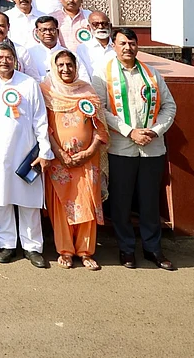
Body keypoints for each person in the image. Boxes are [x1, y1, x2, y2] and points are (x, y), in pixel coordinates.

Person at [92, 27, 178, 271]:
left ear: (137, 45)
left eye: (131, 43)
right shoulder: (103, 73)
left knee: (149, 201)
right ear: (114, 46)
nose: (127, 47)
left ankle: (153, 249)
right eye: (122, 43)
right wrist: (130, 131)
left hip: (152, 147)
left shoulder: (151, 73)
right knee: (121, 202)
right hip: (121, 148)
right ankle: (126, 248)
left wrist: (155, 131)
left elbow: (169, 106)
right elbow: (100, 109)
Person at [0, 40, 52, 268]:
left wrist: (44, 149)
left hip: (26, 151)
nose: (4, 61)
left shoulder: (29, 83)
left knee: (29, 201)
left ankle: (32, 247)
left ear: (16, 60)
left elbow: (40, 119)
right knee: (0, 198)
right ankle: (7, 243)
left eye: (8, 57)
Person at [41, 49, 109, 270]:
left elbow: (101, 128)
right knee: (62, 206)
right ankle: (66, 250)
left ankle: (86, 251)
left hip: (87, 160)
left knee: (86, 203)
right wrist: (59, 153)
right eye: (60, 65)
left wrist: (89, 152)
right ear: (54, 67)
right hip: (59, 160)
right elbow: (45, 128)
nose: (65, 69)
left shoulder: (87, 91)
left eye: (69, 64)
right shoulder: (48, 91)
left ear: (76, 66)